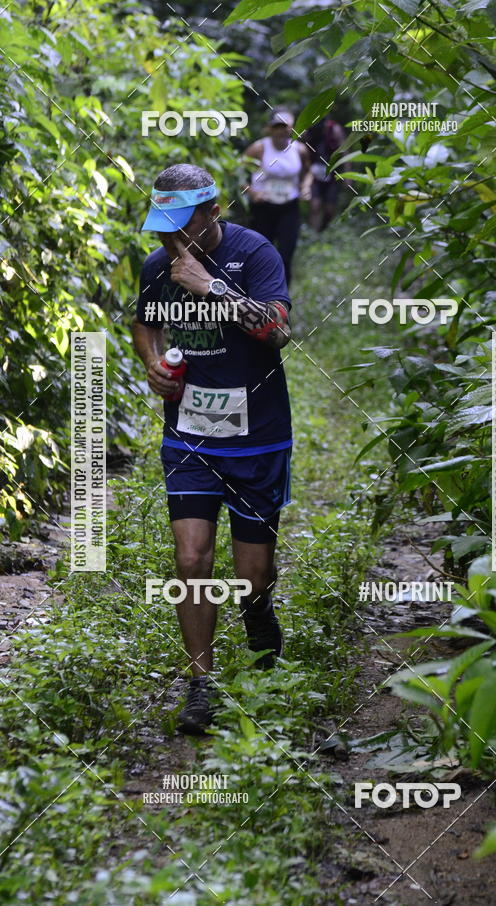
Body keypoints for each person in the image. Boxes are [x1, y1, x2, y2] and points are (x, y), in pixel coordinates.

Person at [132, 163, 293, 735]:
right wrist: (153, 364)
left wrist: (211, 287)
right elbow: (144, 323)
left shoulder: (256, 255)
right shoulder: (158, 266)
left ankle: (258, 611)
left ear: (213, 212)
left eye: (181, 225)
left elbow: (278, 332)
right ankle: (201, 684)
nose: (169, 239)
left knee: (252, 574)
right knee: (192, 558)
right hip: (189, 435)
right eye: (163, 226)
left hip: (258, 435)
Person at [244, 109, 311, 284]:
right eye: (278, 127)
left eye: (286, 127)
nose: (282, 131)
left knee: (286, 251)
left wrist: (305, 186)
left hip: (289, 206)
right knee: (260, 251)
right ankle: (257, 291)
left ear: (293, 128)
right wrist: (252, 192)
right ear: (269, 129)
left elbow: (308, 172)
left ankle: (282, 297)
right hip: (263, 206)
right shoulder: (258, 148)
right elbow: (237, 175)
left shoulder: (300, 149)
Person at [303, 116, 346, 233]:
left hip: (331, 174)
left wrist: (347, 175)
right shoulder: (309, 130)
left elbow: (344, 152)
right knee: (315, 205)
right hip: (313, 173)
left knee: (329, 210)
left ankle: (323, 230)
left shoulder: (335, 130)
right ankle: (314, 233)